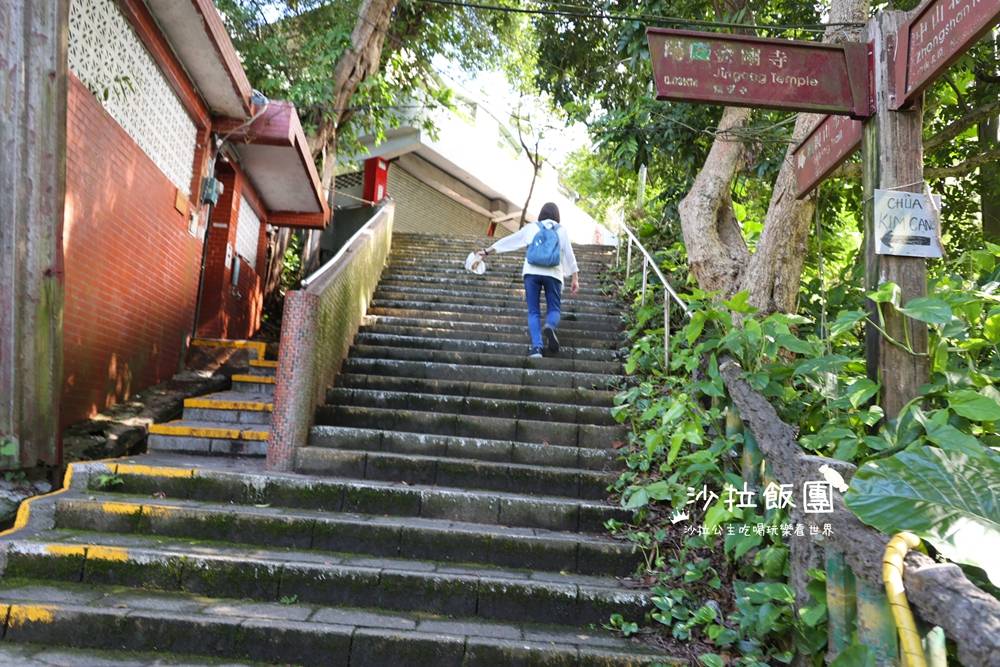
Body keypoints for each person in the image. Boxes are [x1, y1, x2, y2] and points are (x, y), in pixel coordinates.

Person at [477, 202, 580, 358]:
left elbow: (511, 241)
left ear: (541, 214)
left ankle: (537, 348)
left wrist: (487, 251)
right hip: (554, 274)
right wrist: (575, 278)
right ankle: (550, 326)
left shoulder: (532, 228)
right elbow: (570, 256)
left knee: (533, 311)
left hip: (531, 272)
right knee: (554, 309)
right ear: (557, 216)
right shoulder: (561, 231)